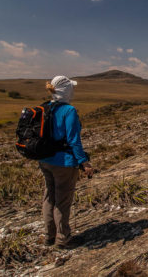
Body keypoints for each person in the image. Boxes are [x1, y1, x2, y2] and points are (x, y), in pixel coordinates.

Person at [39, 75, 94, 248]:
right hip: (63, 162)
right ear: (67, 90)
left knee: (49, 197)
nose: (74, 90)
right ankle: (63, 240)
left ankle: (49, 236)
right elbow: (73, 140)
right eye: (72, 88)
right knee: (62, 201)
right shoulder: (69, 110)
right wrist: (84, 162)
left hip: (44, 159)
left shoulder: (45, 107)